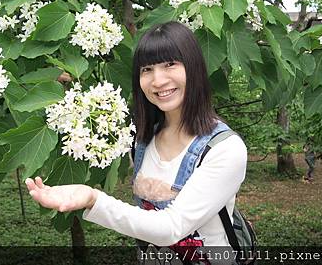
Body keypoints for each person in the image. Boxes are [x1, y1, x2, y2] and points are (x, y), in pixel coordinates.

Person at [26, 22, 247, 261]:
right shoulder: (140, 139)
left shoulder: (225, 149)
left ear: (193, 68)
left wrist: (93, 198)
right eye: (147, 69)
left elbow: (171, 228)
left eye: (170, 64)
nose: (158, 80)